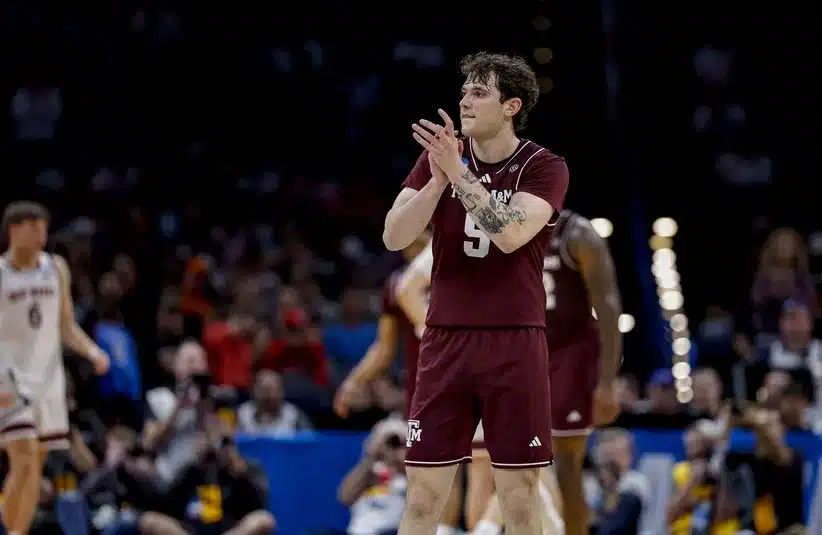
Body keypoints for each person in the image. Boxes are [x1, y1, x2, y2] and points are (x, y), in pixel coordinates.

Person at [383, 52, 569, 535]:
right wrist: (438, 178)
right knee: (423, 496)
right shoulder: (441, 158)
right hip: (446, 340)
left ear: (511, 106)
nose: (464, 99)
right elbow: (394, 236)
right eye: (464, 90)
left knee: (520, 498)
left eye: (479, 92)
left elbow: (507, 234)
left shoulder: (544, 167)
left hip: (515, 341)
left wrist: (458, 174)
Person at [0, 201, 110, 535]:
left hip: (47, 377)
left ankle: (16, 531)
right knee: (23, 455)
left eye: (44, 227)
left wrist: (93, 351)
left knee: (36, 465)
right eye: (34, 226)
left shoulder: (56, 268)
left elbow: (66, 325)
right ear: (14, 230)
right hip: (8, 375)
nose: (42, 234)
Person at [543, 210, 622, 535]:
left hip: (570, 359)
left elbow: (609, 309)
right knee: (509, 466)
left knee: (565, 467)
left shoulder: (577, 235)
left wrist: (607, 383)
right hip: (523, 354)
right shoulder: (506, 228)